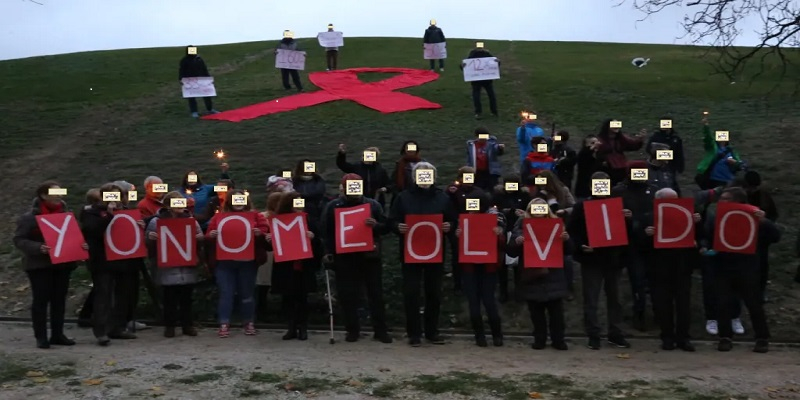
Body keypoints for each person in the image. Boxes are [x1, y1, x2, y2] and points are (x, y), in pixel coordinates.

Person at [699, 187, 779, 353]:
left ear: (738, 201)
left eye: (726, 199)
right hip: (723, 266)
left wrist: (765, 221)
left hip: (747, 267)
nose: (721, 201)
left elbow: (775, 237)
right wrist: (704, 246)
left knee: (754, 304)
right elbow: (708, 236)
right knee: (722, 303)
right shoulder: (717, 218)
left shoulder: (755, 216)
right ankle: (725, 337)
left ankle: (762, 338)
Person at [389, 162, 458, 346]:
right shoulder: (403, 197)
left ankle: (432, 331)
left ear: (433, 177)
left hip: (435, 253)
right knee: (411, 293)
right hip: (410, 252)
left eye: (428, 174)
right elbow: (392, 220)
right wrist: (398, 227)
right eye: (421, 174)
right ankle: (414, 334)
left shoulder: (443, 198)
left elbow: (453, 219)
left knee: (433, 293)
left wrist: (449, 226)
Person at [321, 174, 393, 343]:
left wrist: (375, 225)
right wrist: (327, 252)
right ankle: (352, 330)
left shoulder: (373, 205)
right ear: (343, 188)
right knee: (347, 294)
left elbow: (386, 227)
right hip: (344, 257)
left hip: (369, 256)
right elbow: (326, 232)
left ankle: (380, 330)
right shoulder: (333, 206)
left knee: (375, 293)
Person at [13, 181, 86, 349]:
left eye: (61, 192)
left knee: (59, 300)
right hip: (39, 265)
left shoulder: (67, 215)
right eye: (55, 193)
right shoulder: (29, 218)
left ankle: (57, 334)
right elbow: (19, 239)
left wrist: (81, 246)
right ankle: (41, 336)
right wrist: (38, 248)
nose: (59, 195)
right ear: (43, 195)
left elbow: (73, 237)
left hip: (63, 265)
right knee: (41, 301)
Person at [567, 171, 632, 350]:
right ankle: (593, 334)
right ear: (591, 186)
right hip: (592, 260)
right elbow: (571, 231)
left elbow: (628, 234)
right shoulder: (582, 206)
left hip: (613, 259)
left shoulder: (618, 205)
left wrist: (628, 219)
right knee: (591, 299)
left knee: (615, 299)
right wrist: (581, 246)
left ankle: (616, 333)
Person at [80, 182, 141, 346]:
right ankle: (100, 331)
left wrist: (139, 227)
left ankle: (117, 328)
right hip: (102, 261)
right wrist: (108, 214)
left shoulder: (126, 213)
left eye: (118, 196)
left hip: (123, 261)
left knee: (123, 295)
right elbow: (92, 230)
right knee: (103, 296)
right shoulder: (91, 212)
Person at [641, 188, 701, 351]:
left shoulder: (687, 214)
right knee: (663, 305)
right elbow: (638, 246)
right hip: (659, 269)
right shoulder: (649, 217)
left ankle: (683, 338)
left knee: (683, 305)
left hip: (682, 267)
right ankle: (667, 336)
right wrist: (646, 235)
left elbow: (701, 237)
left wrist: (697, 224)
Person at [509, 198, 571, 350]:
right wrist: (517, 242)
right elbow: (510, 251)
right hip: (533, 275)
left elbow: (569, 251)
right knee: (536, 313)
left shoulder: (557, 225)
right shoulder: (521, 225)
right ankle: (539, 339)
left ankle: (558, 340)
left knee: (556, 313)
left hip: (553, 274)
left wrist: (566, 240)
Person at [206, 189, 269, 338]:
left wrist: (259, 233)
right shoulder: (219, 217)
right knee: (226, 294)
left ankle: (248, 322)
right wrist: (211, 235)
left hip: (248, 262)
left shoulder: (256, 216)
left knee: (247, 294)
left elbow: (265, 230)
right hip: (224, 262)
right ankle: (224, 324)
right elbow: (208, 234)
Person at [145, 191, 204, 338]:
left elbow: (200, 238)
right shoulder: (156, 222)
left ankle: (187, 325)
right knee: (169, 298)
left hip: (186, 266)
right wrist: (151, 238)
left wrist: (199, 238)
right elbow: (148, 245)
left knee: (187, 298)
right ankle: (169, 326)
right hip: (167, 268)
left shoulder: (191, 220)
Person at [454, 193, 506, 347]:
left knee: (489, 302)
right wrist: (458, 236)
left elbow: (503, 245)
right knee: (474, 304)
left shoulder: (494, 219)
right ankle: (479, 336)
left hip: (488, 266)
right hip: (470, 266)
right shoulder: (464, 221)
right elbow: (459, 247)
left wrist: (499, 235)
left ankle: (497, 335)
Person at [268, 192, 321, 341]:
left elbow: (319, 242)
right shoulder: (278, 220)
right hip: (286, 266)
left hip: (303, 265)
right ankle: (291, 327)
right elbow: (273, 245)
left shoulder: (309, 219)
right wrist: (269, 239)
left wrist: (313, 237)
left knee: (302, 298)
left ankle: (303, 328)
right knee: (288, 298)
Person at [445, 167, 489, 292]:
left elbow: (485, 209)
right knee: (457, 255)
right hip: (457, 228)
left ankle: (474, 280)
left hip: (474, 228)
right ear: (459, 178)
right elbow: (447, 208)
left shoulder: (480, 193)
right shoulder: (453, 192)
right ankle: (458, 283)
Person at [491, 174, 533, 302]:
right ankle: (503, 292)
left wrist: (524, 214)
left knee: (518, 264)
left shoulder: (524, 196)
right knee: (502, 263)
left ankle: (519, 291)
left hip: (519, 231)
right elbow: (493, 210)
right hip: (503, 231)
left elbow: (531, 211)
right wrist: (503, 212)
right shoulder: (498, 196)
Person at [741, 170, 779, 301]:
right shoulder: (739, 196)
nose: (753, 190)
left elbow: (773, 214)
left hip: (760, 238)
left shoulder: (764, 196)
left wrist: (766, 222)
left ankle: (760, 291)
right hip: (743, 236)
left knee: (762, 265)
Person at [695, 114, 746, 189]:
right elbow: (708, 139)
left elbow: (739, 164)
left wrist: (734, 162)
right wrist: (706, 126)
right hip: (714, 180)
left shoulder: (731, 151)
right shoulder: (713, 148)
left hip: (728, 180)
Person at [256, 191, 283, 322]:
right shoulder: (262, 216)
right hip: (267, 253)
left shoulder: (287, 216)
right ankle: (261, 311)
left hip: (282, 252)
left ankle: (283, 311)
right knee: (263, 283)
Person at [77, 188, 102, 328]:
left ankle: (86, 316)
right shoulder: (90, 215)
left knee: (99, 287)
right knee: (99, 287)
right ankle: (86, 316)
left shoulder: (88, 213)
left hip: (95, 255)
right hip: (95, 255)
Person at [595, 119, 646, 185]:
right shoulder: (599, 139)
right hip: (606, 168)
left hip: (621, 167)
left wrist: (640, 140)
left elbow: (633, 146)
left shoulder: (621, 138)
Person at [459, 42, 500, 119]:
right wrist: (462, 66)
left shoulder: (475, 54)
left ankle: (485, 112)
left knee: (485, 95)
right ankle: (488, 112)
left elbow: (494, 63)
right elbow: (466, 65)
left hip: (481, 79)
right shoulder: (484, 53)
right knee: (484, 95)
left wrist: (497, 62)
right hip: (481, 79)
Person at [179, 45, 220, 118]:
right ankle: (194, 112)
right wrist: (181, 79)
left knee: (207, 95)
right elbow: (182, 70)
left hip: (202, 80)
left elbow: (204, 69)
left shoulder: (199, 59)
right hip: (190, 80)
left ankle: (210, 109)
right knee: (191, 97)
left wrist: (208, 79)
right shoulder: (184, 60)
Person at [646, 117, 685, 195]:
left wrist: (680, 166)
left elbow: (679, 153)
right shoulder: (655, 136)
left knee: (670, 182)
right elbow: (648, 149)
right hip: (656, 164)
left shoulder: (676, 138)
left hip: (671, 165)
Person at [292, 159, 329, 231]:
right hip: (300, 210)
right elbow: (292, 195)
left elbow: (319, 192)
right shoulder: (295, 181)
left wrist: (301, 195)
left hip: (316, 209)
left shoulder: (318, 179)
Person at [466, 127, 505, 192]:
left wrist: (500, 148)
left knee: (494, 191)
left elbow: (498, 151)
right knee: (476, 191)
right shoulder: (471, 145)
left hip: (491, 172)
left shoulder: (492, 144)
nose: (484, 139)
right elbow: (469, 159)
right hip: (476, 173)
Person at [574, 135, 603, 199]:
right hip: (584, 188)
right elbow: (585, 152)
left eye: (597, 142)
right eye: (592, 143)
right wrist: (593, 147)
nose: (596, 145)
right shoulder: (583, 155)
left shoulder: (600, 156)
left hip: (599, 186)